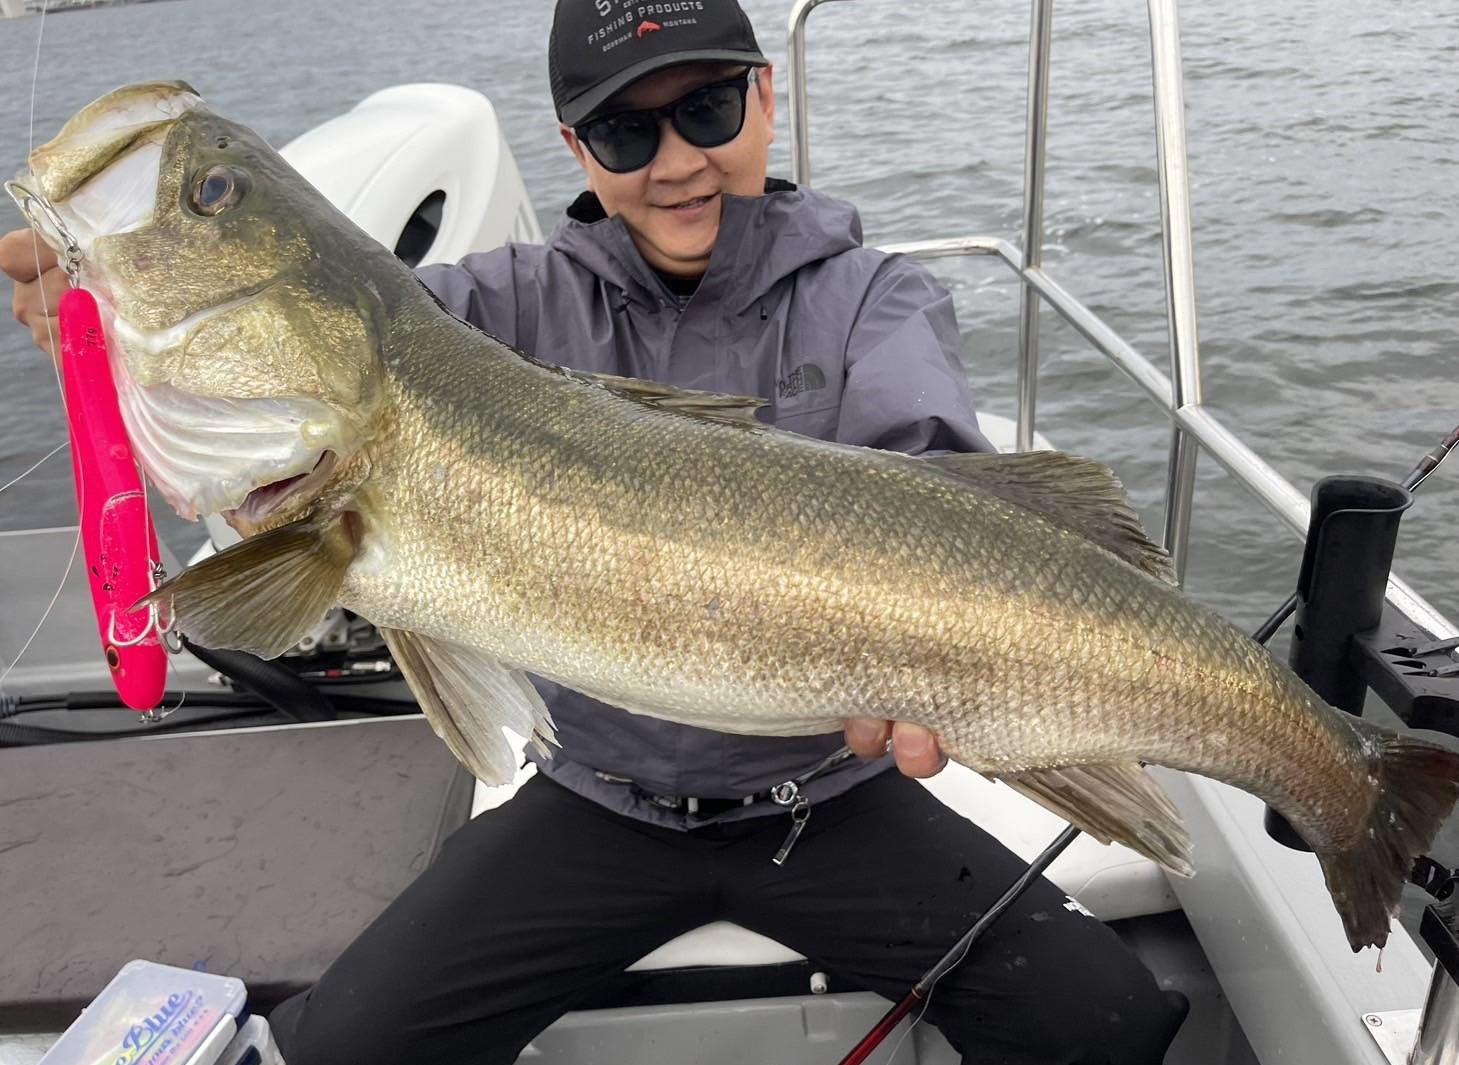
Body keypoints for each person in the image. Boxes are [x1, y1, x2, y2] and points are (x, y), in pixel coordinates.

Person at [1, 2, 1187, 1061]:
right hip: (599, 799)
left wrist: (946, 665)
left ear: (765, 96)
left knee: (1103, 1022)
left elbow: (937, 488)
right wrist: (108, 306)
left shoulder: (873, 297)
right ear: (574, 149)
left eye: (709, 109)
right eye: (627, 133)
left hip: (826, 797)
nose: (677, 162)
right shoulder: (494, 309)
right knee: (348, 1044)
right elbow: (332, 349)